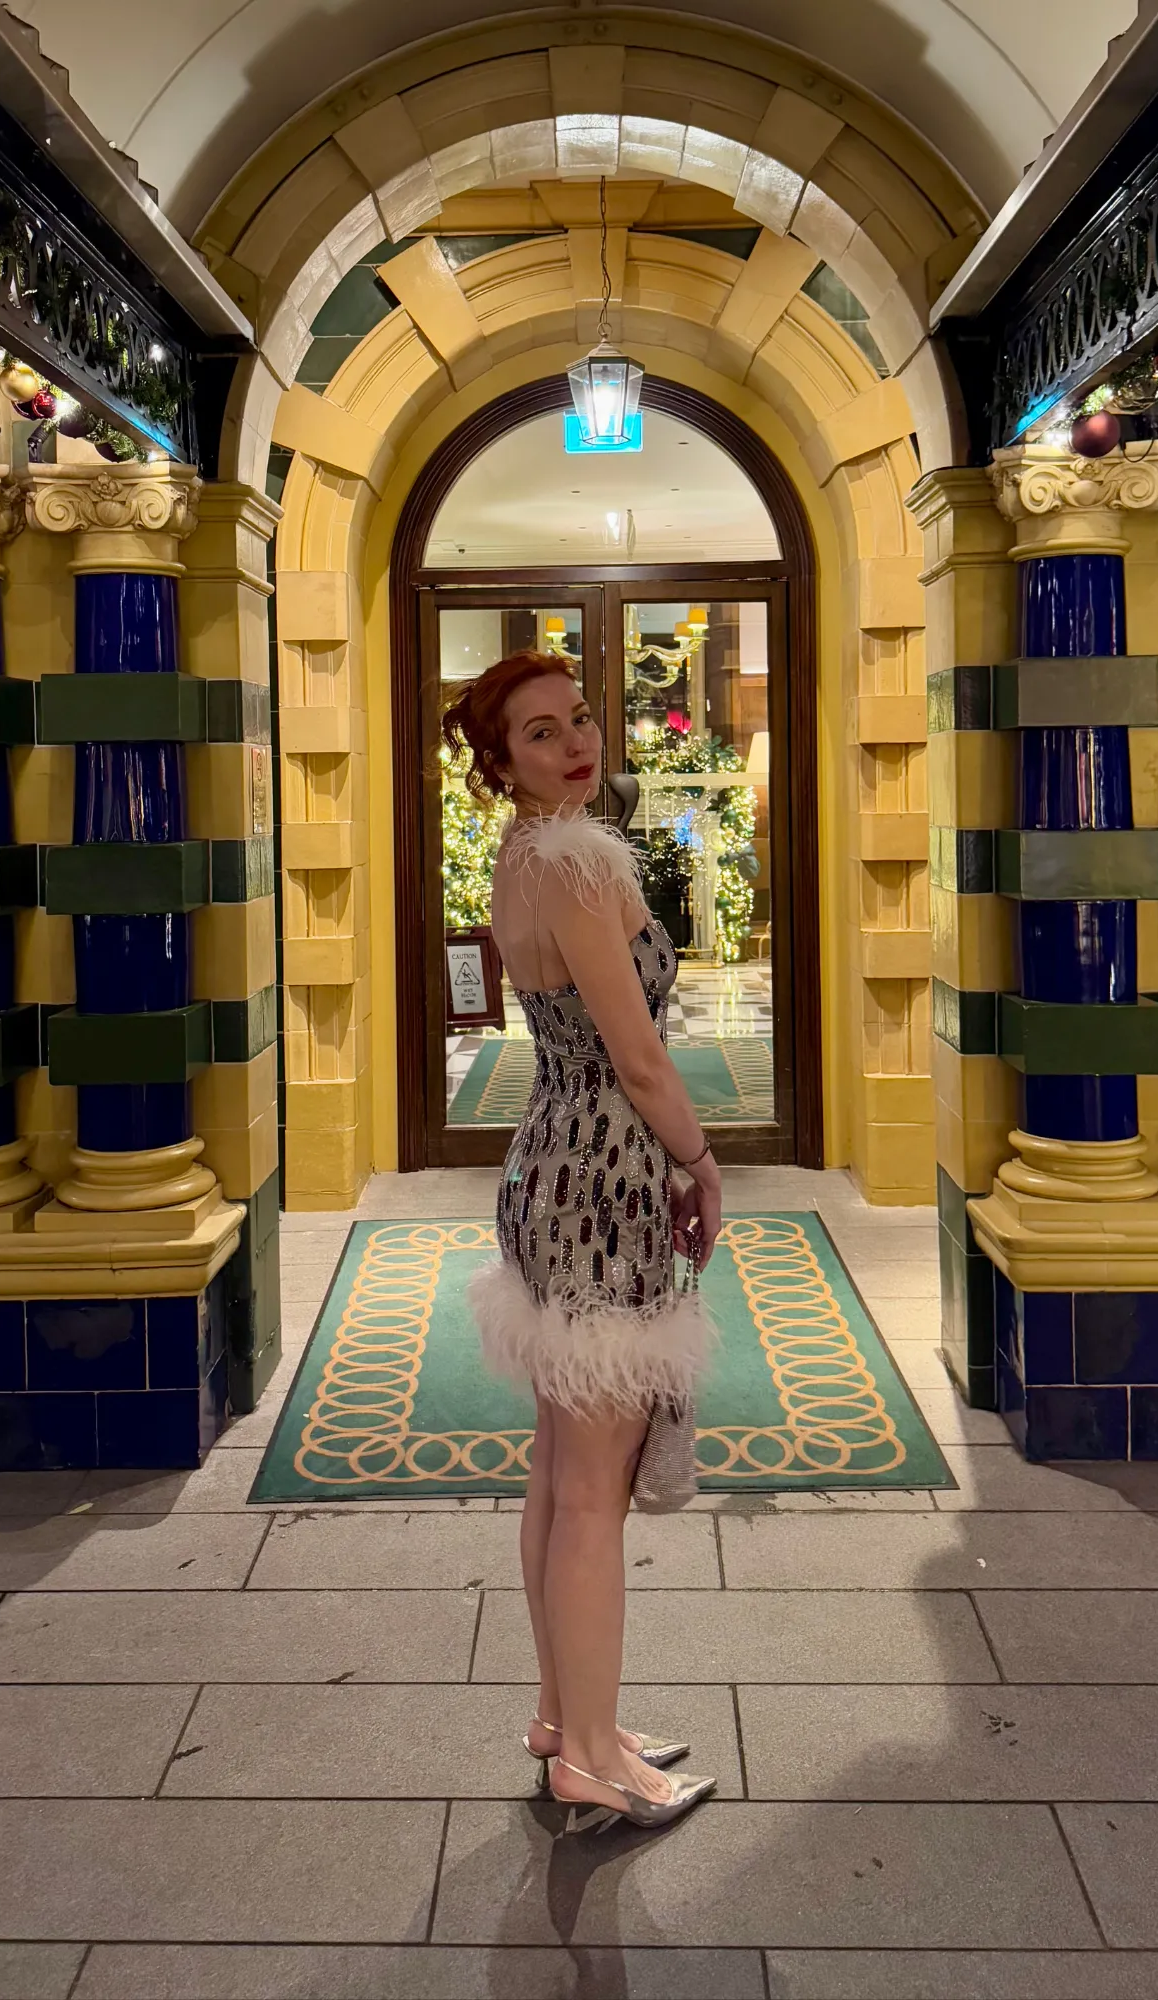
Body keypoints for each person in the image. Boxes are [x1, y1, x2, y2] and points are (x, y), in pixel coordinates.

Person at [444, 648, 723, 1834]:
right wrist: (700, 1159)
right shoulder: (574, 862)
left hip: (549, 1161)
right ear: (501, 762)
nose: (575, 743)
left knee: (562, 1472)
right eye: (541, 732)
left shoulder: (525, 854)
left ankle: (567, 1719)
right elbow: (639, 1057)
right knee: (593, 1494)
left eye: (578, 718)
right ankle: (596, 1758)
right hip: (604, 1177)